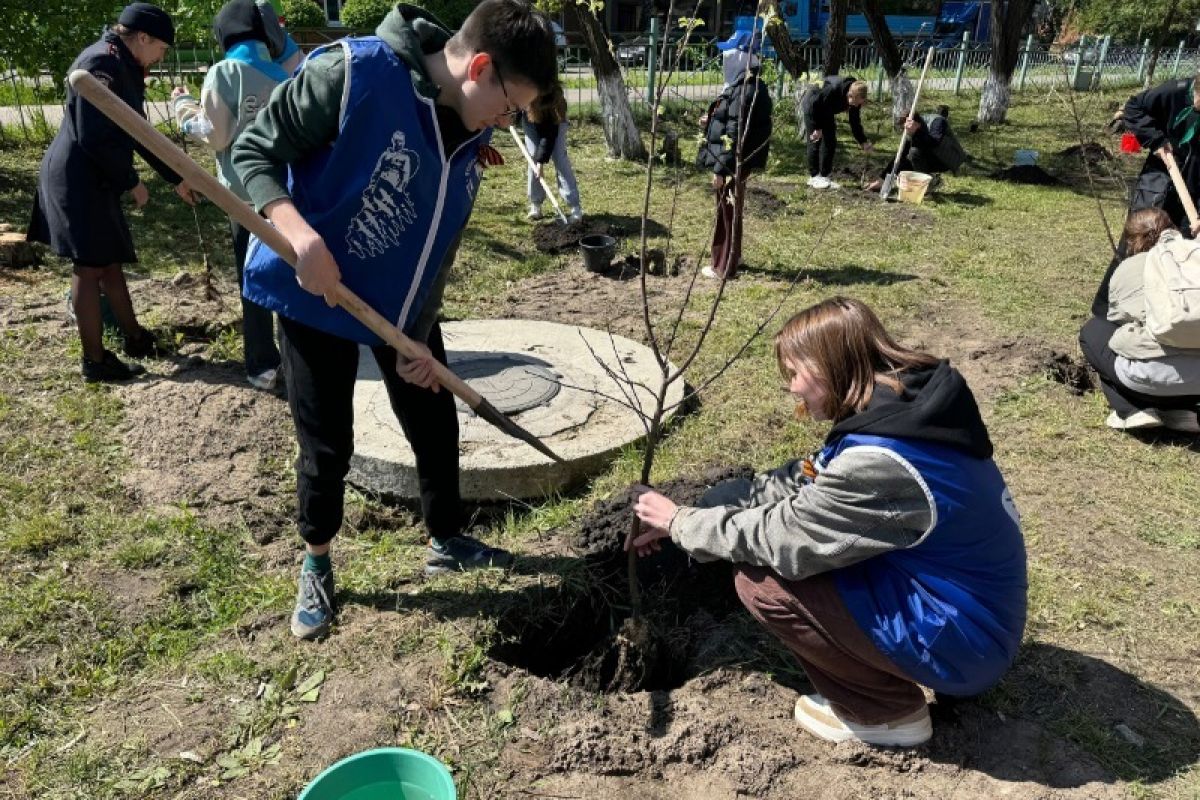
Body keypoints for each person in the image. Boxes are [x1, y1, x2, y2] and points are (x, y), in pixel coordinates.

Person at [231, 0, 558, 640]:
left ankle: (447, 539)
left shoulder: (470, 125)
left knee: (433, 422)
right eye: (511, 104)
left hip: (401, 306)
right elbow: (253, 151)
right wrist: (298, 236)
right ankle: (317, 562)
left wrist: (421, 329)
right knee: (328, 443)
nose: (509, 121)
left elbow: (441, 233)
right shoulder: (351, 73)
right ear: (480, 67)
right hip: (317, 294)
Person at [628, 296, 1027, 747]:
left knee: (762, 582)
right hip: (966, 612)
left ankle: (887, 715)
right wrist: (703, 507)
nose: (792, 388)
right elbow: (807, 477)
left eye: (796, 374)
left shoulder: (881, 463)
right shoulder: (903, 409)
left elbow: (783, 540)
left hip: (967, 642)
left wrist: (682, 523)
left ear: (830, 367)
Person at [28, 3, 196, 382]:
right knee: (89, 268)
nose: (161, 57)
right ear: (143, 37)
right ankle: (95, 360)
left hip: (93, 175)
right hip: (77, 176)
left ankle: (135, 338)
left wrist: (176, 177)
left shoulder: (122, 63)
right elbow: (94, 136)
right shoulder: (102, 65)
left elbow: (139, 132)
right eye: (161, 49)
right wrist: (130, 182)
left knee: (108, 262)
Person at [172, 0, 303, 392]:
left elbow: (216, 134)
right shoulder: (285, 73)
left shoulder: (225, 71)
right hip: (286, 195)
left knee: (254, 283)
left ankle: (263, 366)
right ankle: (298, 357)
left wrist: (182, 106)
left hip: (243, 198)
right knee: (290, 275)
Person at [1090, 74, 1200, 320]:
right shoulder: (1175, 91)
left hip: (1193, 187)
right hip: (1159, 180)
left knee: (1179, 254)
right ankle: (1107, 311)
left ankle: (1158, 316)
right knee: (1138, 243)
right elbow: (1133, 108)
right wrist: (1156, 140)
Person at [1079, 208, 1200, 432]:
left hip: (1151, 380)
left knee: (1094, 331)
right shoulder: (1195, 257)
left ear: (1132, 241)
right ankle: (1182, 412)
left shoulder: (1129, 268)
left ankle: (1132, 410)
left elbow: (1117, 320)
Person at [696, 47, 773, 280]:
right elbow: (729, 121)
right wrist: (709, 121)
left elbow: (735, 133)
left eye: (728, 60)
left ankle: (723, 266)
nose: (724, 65)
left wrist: (721, 170)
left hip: (733, 163)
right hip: (737, 162)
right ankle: (733, 256)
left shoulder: (744, 91)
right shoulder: (744, 86)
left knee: (726, 212)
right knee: (731, 210)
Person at [866, 105, 966, 194]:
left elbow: (934, 142)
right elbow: (900, 155)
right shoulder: (914, 130)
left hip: (948, 158)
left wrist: (917, 132)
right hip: (932, 155)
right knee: (905, 160)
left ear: (917, 124)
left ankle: (928, 184)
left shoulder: (937, 122)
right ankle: (933, 179)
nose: (907, 132)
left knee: (914, 153)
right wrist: (882, 179)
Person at [521, 84, 582, 222]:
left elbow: (549, 135)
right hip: (530, 119)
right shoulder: (525, 89)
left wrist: (541, 163)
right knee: (533, 159)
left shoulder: (553, 104)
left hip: (555, 123)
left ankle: (575, 207)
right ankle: (536, 205)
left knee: (560, 159)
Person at [801, 76, 873, 190]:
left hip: (826, 109)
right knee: (815, 140)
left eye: (858, 104)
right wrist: (817, 128)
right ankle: (814, 177)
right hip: (813, 105)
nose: (855, 106)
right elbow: (816, 104)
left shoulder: (856, 98)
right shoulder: (833, 90)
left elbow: (855, 122)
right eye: (854, 102)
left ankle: (824, 176)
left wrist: (863, 141)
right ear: (850, 95)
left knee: (830, 141)